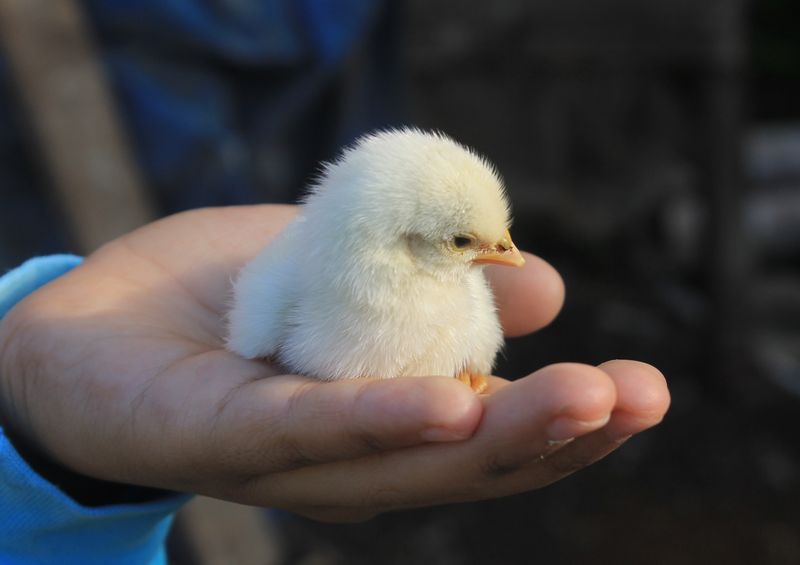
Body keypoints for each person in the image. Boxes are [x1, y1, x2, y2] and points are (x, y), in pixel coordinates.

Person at [0, 204, 671, 564]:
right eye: (472, 242)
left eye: (501, 239)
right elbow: (259, 331)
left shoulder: (460, 293)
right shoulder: (305, 279)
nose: (505, 257)